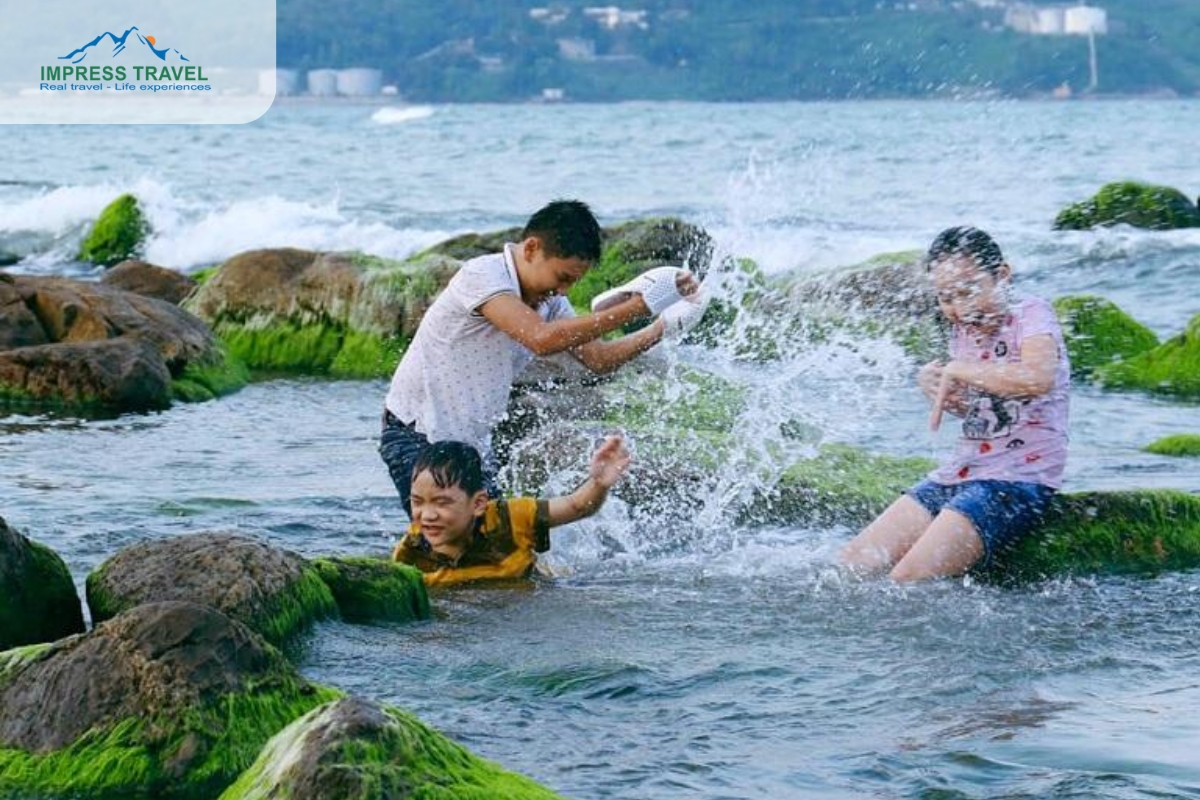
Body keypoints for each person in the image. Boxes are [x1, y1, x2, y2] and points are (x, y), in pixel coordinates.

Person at [380, 199, 703, 516]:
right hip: (418, 433)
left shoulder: (551, 303)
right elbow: (539, 339)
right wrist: (638, 306)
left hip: (473, 446)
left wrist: (661, 327)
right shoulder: (483, 275)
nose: (563, 291)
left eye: (573, 282)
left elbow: (598, 359)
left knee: (500, 544)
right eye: (562, 278)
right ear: (532, 249)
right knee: (456, 545)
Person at [840, 226, 1071, 581]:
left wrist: (961, 370)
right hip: (958, 474)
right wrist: (938, 388)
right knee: (852, 563)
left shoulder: (1031, 314)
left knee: (906, 580)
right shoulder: (962, 331)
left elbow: (1037, 379)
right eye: (946, 298)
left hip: (1015, 482)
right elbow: (981, 408)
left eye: (968, 291)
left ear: (1002, 275)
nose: (959, 308)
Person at [392, 435, 631, 587]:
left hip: (535, 589)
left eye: (442, 503)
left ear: (478, 504)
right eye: (417, 502)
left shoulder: (512, 517)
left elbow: (576, 506)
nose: (427, 515)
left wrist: (598, 483)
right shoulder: (413, 550)